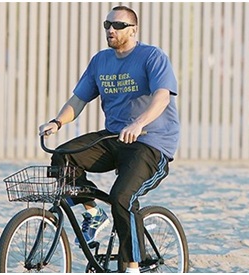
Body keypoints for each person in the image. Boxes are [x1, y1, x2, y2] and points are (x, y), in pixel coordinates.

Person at [38, 6, 179, 273]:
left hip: (151, 143)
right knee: (63, 156)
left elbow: (162, 97)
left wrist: (139, 123)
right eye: (107, 24)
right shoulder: (100, 61)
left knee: (122, 197)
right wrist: (57, 122)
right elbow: (79, 99)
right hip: (115, 137)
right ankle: (92, 212)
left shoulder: (152, 56)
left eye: (118, 25)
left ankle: (134, 266)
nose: (110, 30)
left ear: (133, 30)